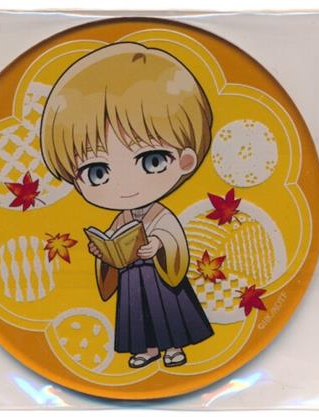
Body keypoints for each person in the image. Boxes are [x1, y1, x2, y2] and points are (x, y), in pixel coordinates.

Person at [40, 42, 214, 368]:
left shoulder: (160, 214)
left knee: (167, 310)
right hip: (132, 277)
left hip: (159, 273)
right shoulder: (123, 218)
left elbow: (172, 237)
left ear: (186, 161)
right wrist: (104, 252)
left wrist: (158, 244)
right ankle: (147, 348)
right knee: (138, 313)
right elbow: (113, 241)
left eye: (152, 160)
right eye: (98, 172)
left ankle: (174, 346)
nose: (125, 185)